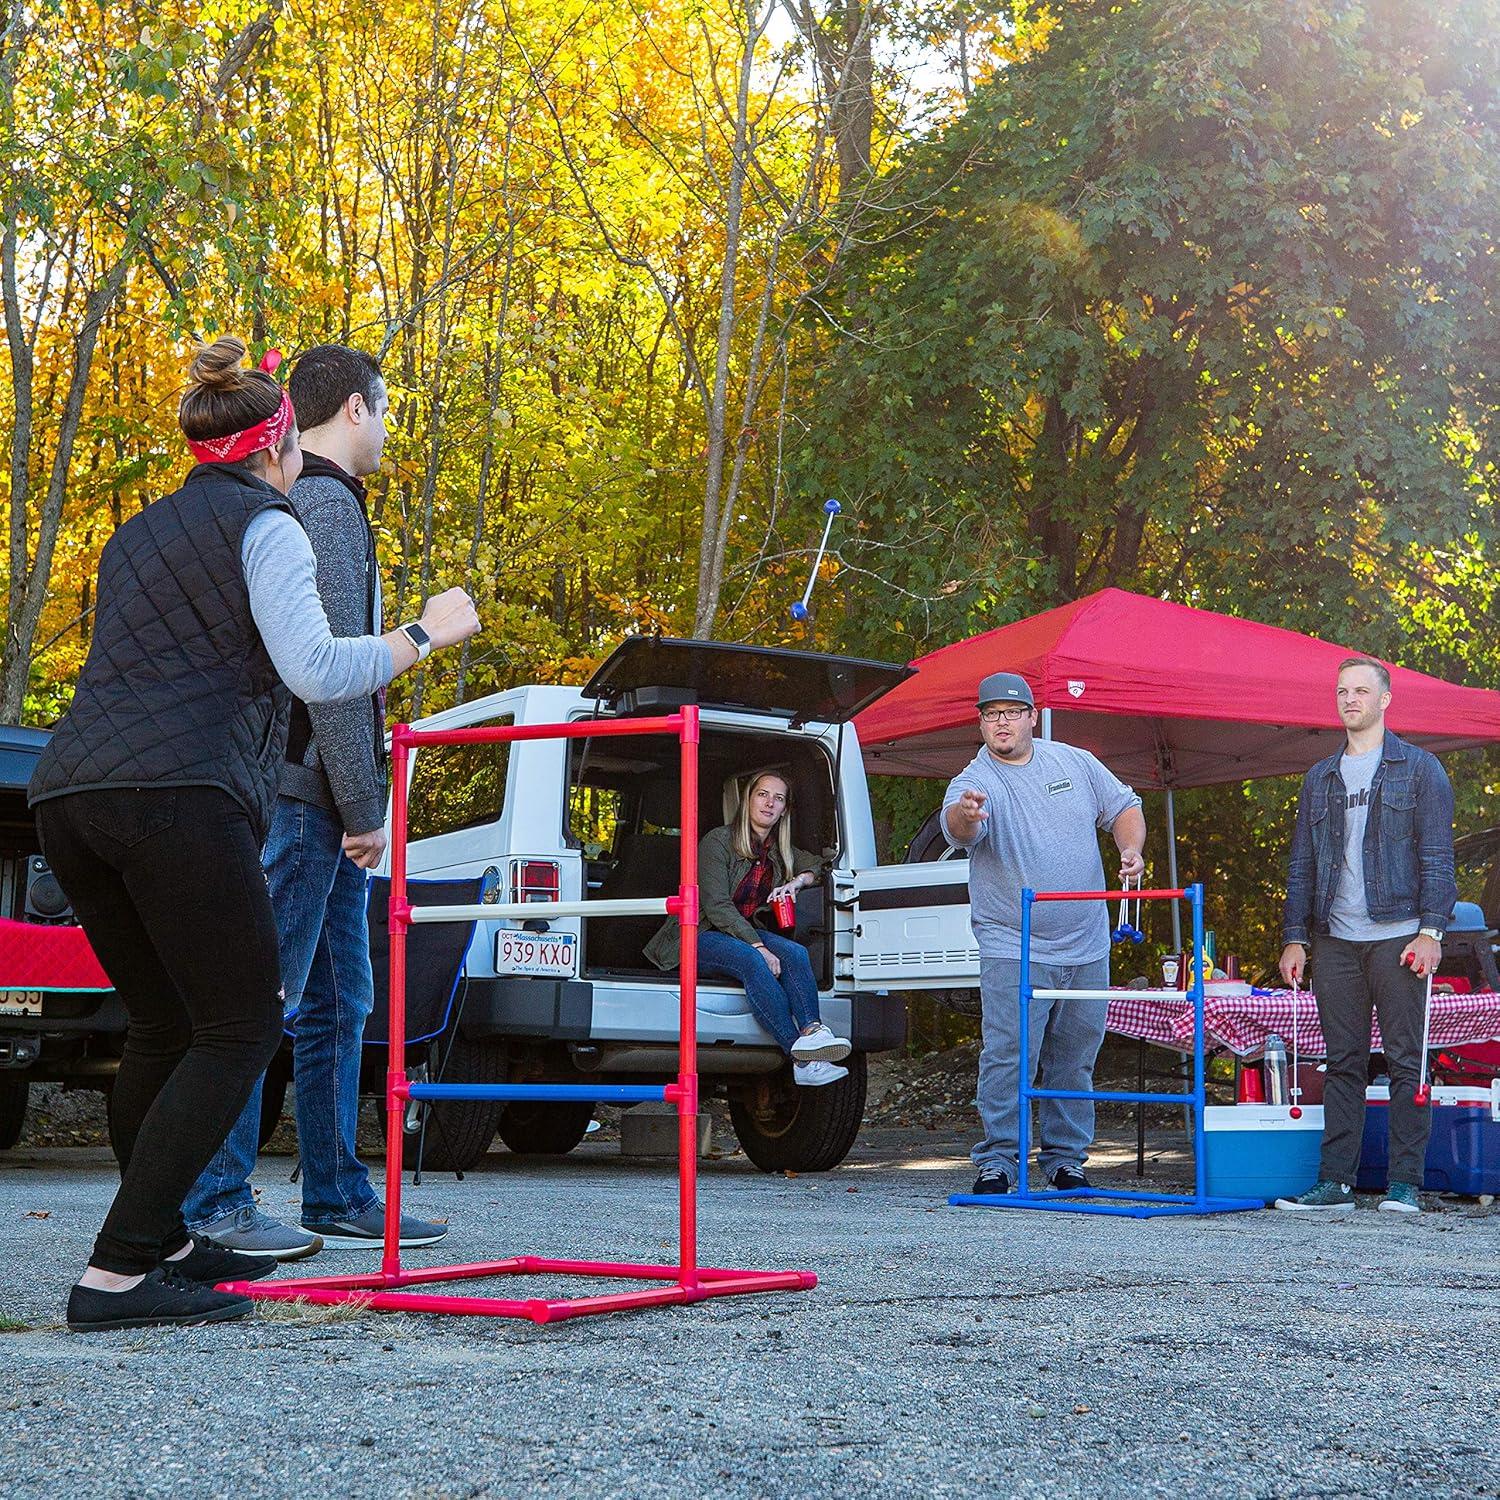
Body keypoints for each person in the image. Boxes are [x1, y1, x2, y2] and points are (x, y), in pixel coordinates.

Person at [28, 337, 479, 1331]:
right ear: (277, 448)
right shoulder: (269, 523)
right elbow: (316, 669)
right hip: (176, 799)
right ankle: (113, 1277)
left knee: (166, 1026)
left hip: (70, 799)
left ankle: (167, 1244)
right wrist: (424, 635)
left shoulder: (138, 531)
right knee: (240, 1026)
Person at [183, 344, 447, 1256]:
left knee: (342, 1002)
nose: (390, 427)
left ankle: (334, 1190)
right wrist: (367, 807)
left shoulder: (321, 504)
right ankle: (215, 1202)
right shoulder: (327, 510)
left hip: (326, 803)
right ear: (355, 410)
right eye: (387, 408)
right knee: (261, 1000)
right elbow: (332, 679)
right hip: (307, 803)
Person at [942, 672, 1145, 1196]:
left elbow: (1125, 807)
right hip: (1013, 940)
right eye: (991, 714)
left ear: (1033, 716)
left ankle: (1064, 1159)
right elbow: (958, 827)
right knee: (1010, 1051)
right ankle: (999, 1160)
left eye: (1011, 712)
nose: (1001, 721)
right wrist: (966, 818)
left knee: (1074, 1052)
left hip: (1087, 939)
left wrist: (1131, 850)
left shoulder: (1073, 761)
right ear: (981, 723)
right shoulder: (974, 781)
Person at [1275, 657, 1456, 1215]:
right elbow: (1303, 862)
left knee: (1406, 1060)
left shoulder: (1420, 769)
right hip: (1335, 938)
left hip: (1400, 934)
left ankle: (1405, 1183)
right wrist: (1294, 937)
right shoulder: (1320, 777)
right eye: (1341, 691)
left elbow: (1437, 857)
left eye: (1360, 690)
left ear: (1385, 700)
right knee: (1343, 1061)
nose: (1349, 699)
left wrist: (1432, 932)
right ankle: (1336, 1184)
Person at [644, 768, 851, 1084]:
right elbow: (716, 906)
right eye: (763, 794)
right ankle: (800, 1058)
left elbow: (818, 864)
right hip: (698, 932)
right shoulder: (718, 841)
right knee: (753, 960)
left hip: (740, 932)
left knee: (795, 953)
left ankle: (813, 1033)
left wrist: (797, 881)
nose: (769, 803)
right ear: (748, 800)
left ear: (784, 810)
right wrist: (759, 947)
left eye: (778, 798)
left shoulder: (778, 852)